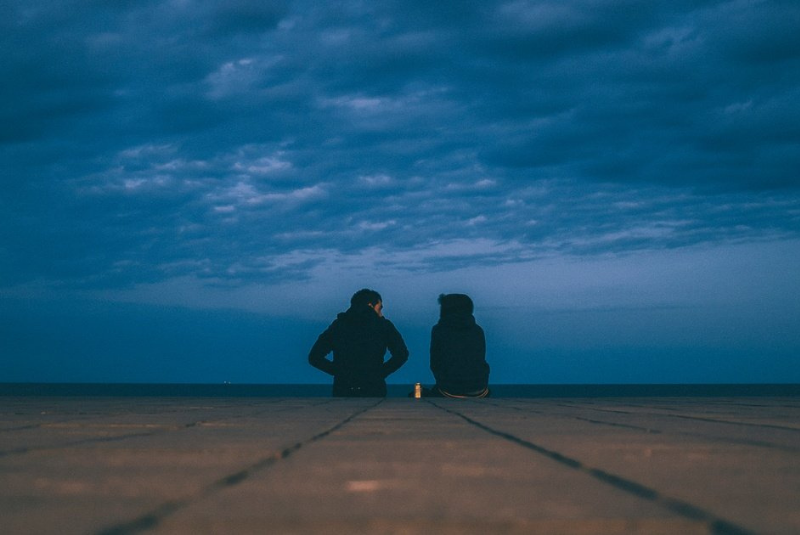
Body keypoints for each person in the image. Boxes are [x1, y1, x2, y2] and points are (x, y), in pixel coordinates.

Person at [308, 288, 409, 397]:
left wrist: (339, 372)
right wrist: (379, 373)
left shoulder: (339, 325)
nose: (381, 314)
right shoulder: (383, 325)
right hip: (374, 389)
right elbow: (402, 354)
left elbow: (314, 357)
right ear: (370, 305)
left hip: (343, 389)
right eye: (379, 309)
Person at [427, 293, 490, 398]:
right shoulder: (478, 330)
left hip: (450, 388)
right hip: (480, 388)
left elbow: (435, 361)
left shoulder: (439, 330)